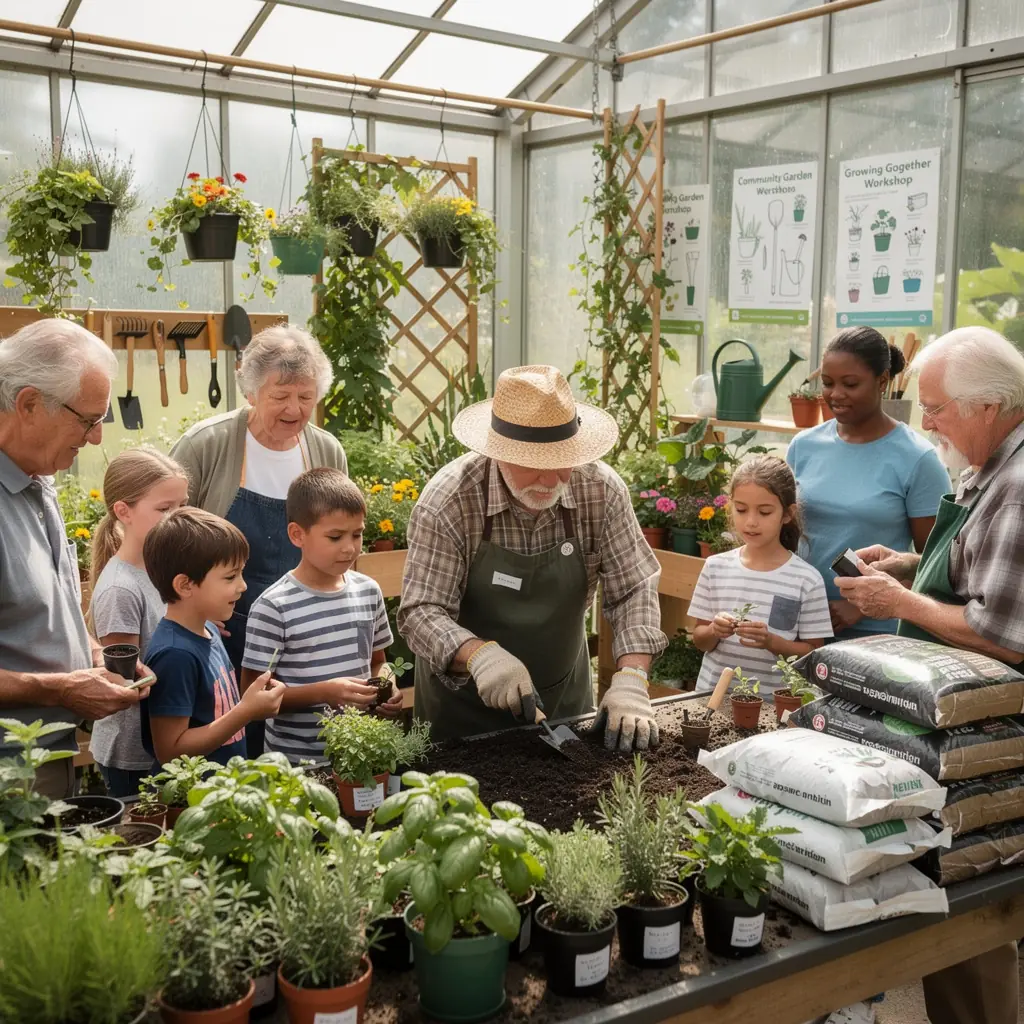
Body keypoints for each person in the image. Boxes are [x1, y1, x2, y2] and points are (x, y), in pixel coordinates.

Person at [836, 326, 1024, 1024]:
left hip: (989, 735)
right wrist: (914, 566)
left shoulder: (1018, 487)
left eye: (937, 407)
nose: (927, 422)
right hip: (959, 722)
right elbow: (982, 573)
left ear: (986, 406)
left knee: (975, 911)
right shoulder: (991, 465)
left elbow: (1000, 634)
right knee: (950, 899)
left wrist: (898, 602)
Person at [398, 364, 666, 751]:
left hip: (563, 704)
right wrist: (480, 657)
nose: (551, 478)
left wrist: (632, 677)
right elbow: (421, 611)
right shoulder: (450, 501)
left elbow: (634, 588)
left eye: (563, 461)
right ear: (499, 453)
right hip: (462, 715)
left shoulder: (600, 490)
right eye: (535, 464)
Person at [170, 324, 346, 757]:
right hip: (219, 635)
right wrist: (197, 614)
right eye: (280, 396)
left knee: (304, 750)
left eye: (305, 397)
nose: (294, 409)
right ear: (250, 391)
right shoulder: (205, 447)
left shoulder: (327, 452)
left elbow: (340, 540)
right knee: (226, 756)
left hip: (304, 636)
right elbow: (166, 543)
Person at [0, 319, 150, 797]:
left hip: (51, 752)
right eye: (87, 420)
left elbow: (47, 611)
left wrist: (97, 655)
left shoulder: (37, 479)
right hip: (10, 769)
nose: (95, 439)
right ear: (28, 404)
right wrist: (61, 688)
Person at [786, 327, 948, 641]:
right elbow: (786, 532)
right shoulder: (803, 446)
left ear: (883, 382)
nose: (835, 395)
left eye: (850, 384)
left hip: (878, 631)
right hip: (802, 624)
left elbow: (935, 565)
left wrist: (860, 607)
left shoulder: (917, 458)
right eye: (828, 383)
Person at [241, 468, 404, 764]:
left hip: (361, 757)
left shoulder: (368, 591)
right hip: (296, 765)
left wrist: (388, 685)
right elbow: (254, 696)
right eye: (335, 536)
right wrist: (325, 692)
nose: (350, 547)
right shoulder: (273, 606)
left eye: (357, 534)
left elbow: (378, 662)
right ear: (297, 534)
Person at [140, 507, 285, 765]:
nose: (243, 586)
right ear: (185, 585)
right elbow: (170, 751)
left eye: (241, 573)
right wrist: (246, 711)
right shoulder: (175, 655)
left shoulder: (209, 631)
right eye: (230, 577)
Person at [88, 447, 189, 797]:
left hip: (162, 739)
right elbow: (127, 684)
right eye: (164, 509)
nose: (177, 517)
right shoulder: (120, 588)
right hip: (134, 753)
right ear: (123, 511)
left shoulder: (162, 567)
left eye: (182, 505)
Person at [690, 455, 832, 694]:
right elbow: (699, 638)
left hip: (773, 706)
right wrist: (714, 630)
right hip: (712, 699)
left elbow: (813, 653)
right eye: (741, 510)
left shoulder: (806, 579)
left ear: (787, 514)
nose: (751, 522)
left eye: (764, 512)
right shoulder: (715, 567)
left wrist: (771, 642)